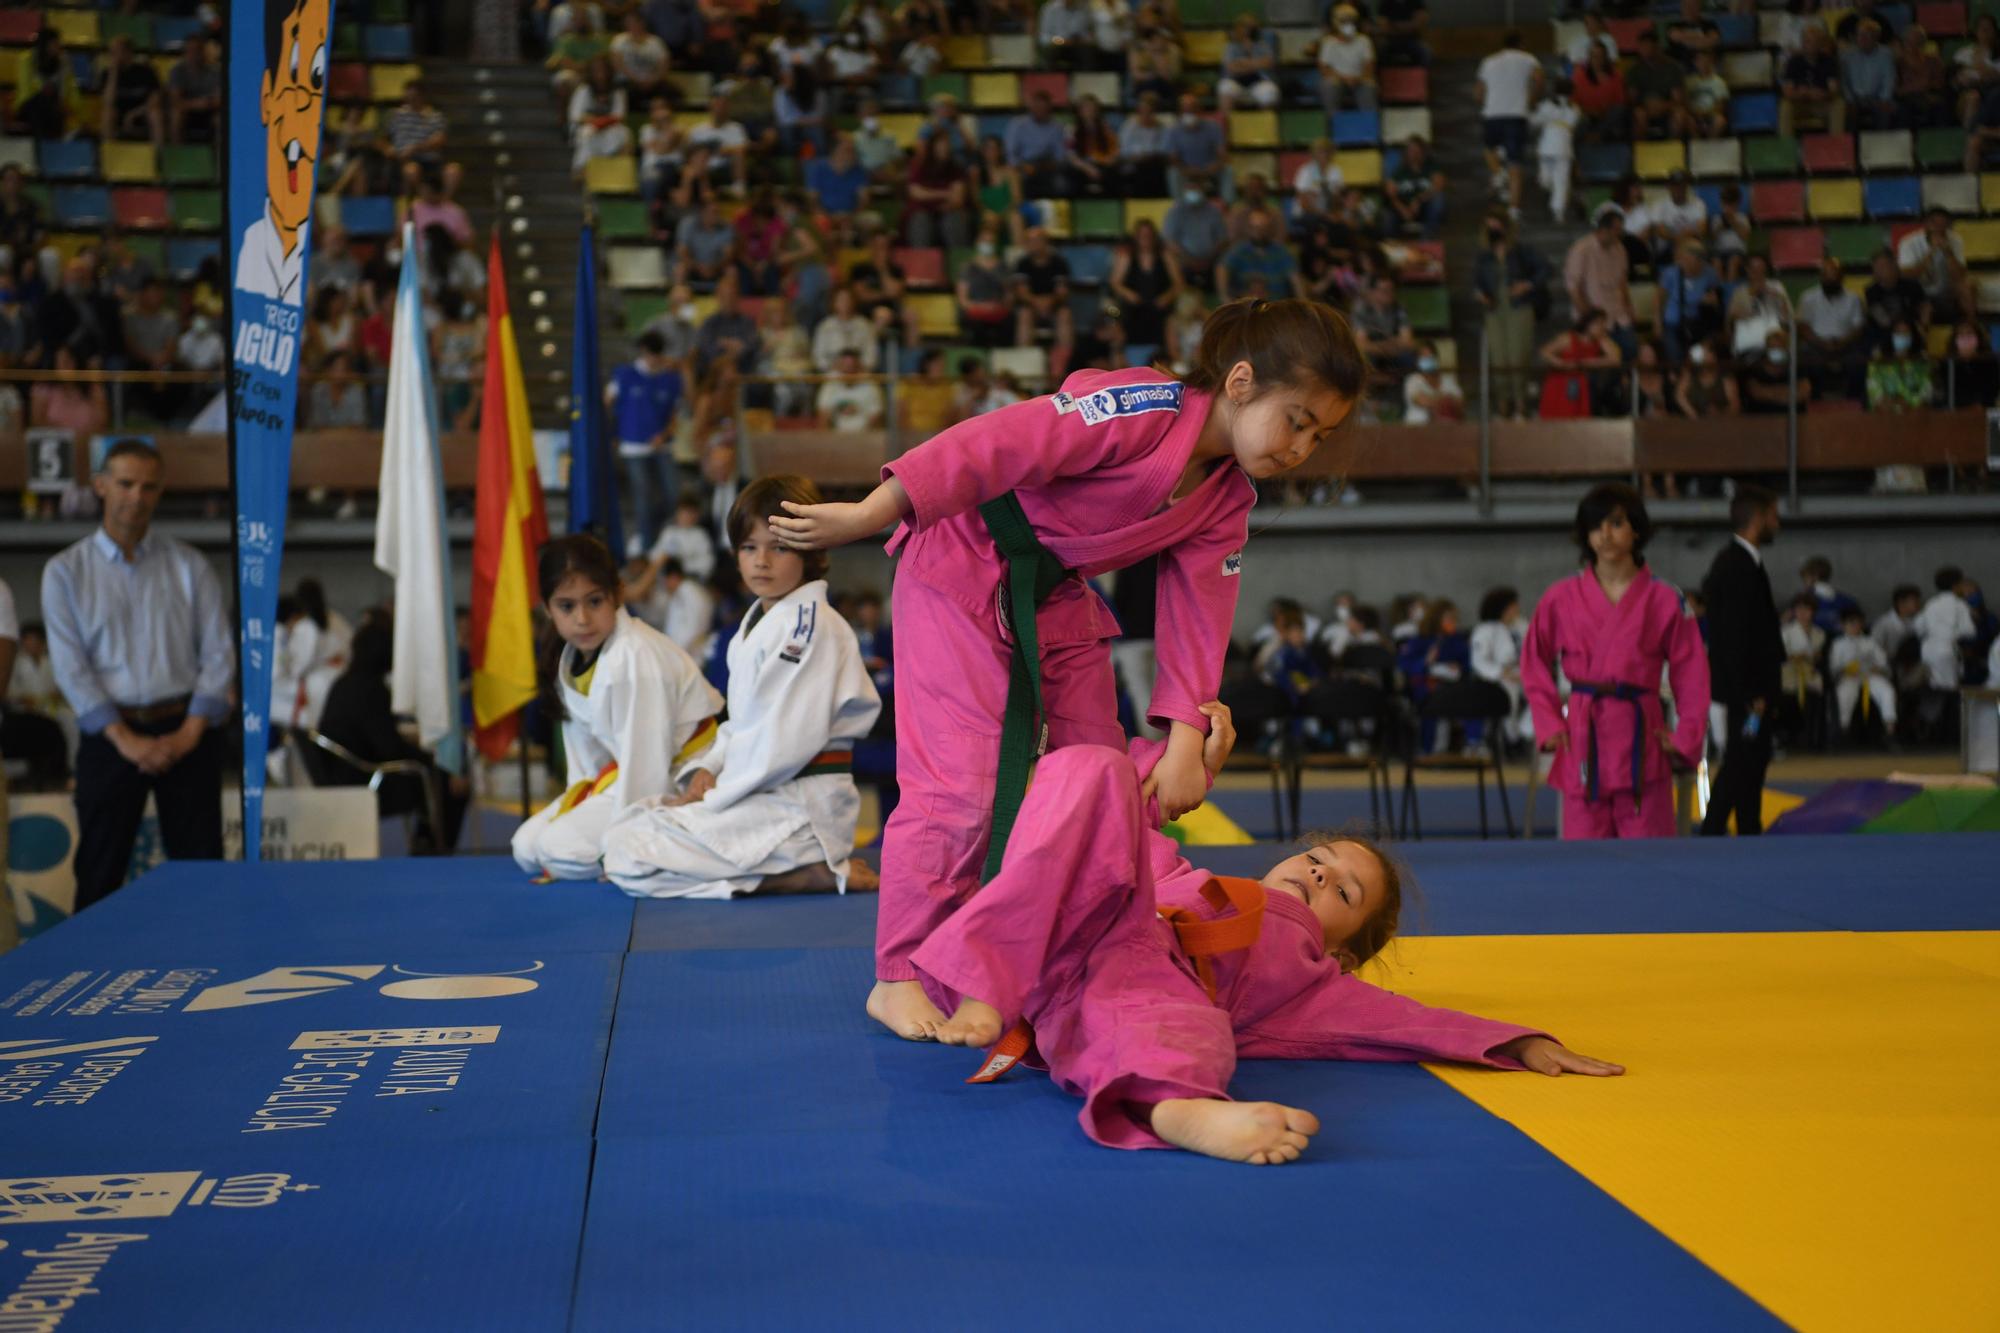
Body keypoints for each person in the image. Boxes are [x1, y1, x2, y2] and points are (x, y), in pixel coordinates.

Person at [768, 299, 1365, 1041]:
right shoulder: (1144, 405)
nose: (1302, 446)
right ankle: (898, 973)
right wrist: (873, 511)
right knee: (964, 787)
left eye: (1321, 435)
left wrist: (1186, 737)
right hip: (963, 563)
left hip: (1054, 599)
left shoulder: (1226, 501)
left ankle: (1044, 952)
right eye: (1298, 419)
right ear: (1241, 382)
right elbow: (1001, 441)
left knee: (1100, 778)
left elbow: (1197, 619)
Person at [915, 740, 1621, 1160]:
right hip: (1059, 934)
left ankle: (1178, 1108)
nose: (1321, 873)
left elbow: (1410, 1021)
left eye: (1344, 893)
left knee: (1180, 1019)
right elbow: (1119, 826)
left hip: (1127, 987)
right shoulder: (1185, 876)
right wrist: (1175, 758)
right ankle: (986, 970)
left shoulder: (1315, 980)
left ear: (1341, 954)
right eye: (1320, 859)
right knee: (1095, 766)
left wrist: (1520, 1041)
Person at [603, 476, 883, 898]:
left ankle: (801, 872)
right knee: (630, 826)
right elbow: (743, 725)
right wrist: (707, 771)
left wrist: (712, 798)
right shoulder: (755, 625)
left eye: (780, 547)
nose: (762, 561)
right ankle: (782, 872)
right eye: (749, 548)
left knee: (630, 854)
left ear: (811, 551)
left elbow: (783, 745)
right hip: (763, 795)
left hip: (798, 807)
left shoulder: (809, 628)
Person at [41, 441, 231, 911]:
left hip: (187, 733)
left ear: (161, 491)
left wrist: (187, 734)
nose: (136, 496)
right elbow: (70, 668)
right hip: (109, 739)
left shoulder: (189, 565)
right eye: (125, 483)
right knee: (98, 876)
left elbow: (219, 653)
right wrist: (126, 739)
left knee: (203, 874)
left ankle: (213, 967)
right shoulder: (65, 572)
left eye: (148, 486)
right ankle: (87, 979)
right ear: (101, 486)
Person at [512, 534, 723, 880]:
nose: (582, 618)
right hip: (622, 779)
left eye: (594, 602)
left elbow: (648, 766)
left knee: (555, 849)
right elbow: (587, 766)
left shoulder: (634, 653)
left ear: (618, 595)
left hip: (681, 780)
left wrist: (623, 844)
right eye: (567, 606)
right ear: (548, 609)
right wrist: (580, 814)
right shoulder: (571, 659)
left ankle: (653, 852)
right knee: (525, 847)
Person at [1523, 485, 1708, 840]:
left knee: (1651, 864)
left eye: (1616, 523)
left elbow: (1693, 673)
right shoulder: (1560, 597)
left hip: (1641, 738)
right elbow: (1533, 660)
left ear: (1636, 530)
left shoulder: (1666, 599)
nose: (1604, 535)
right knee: (1583, 868)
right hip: (1583, 738)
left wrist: (1687, 734)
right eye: (1595, 526)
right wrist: (1547, 722)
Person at [313, 617, 470, 853]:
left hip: (338, 773)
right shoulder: (372, 689)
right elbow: (389, 748)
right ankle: (435, 847)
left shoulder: (344, 683)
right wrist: (436, 761)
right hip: (366, 780)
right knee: (444, 778)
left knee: (434, 772)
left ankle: (427, 841)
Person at [1698, 484, 1785, 837]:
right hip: (1748, 693)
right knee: (1741, 758)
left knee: (1752, 757)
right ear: (1758, 518)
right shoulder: (1735, 566)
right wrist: (1752, 692)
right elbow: (1735, 637)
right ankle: (1714, 827)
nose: (1777, 522)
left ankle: (1748, 825)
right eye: (1774, 515)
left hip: (1751, 689)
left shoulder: (1744, 561)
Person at [607, 330, 685, 553]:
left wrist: (665, 434)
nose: (655, 360)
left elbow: (675, 414)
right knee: (643, 498)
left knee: (673, 494)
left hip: (661, 444)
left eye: (658, 355)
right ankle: (647, 545)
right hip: (633, 445)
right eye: (652, 355)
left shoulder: (670, 378)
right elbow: (608, 403)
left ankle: (665, 537)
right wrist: (613, 433)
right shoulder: (624, 375)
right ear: (643, 352)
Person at [1473, 215, 1546, 420]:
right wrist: (1480, 294)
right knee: (1499, 359)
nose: (1494, 230)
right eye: (1490, 227)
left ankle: (1520, 405)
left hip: (1518, 308)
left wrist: (1526, 285)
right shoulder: (1484, 256)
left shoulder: (1522, 251)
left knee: (1517, 356)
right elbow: (1476, 282)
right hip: (1495, 310)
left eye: (1497, 225)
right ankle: (1503, 405)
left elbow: (1545, 269)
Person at [1476, 31, 1542, 217]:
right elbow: (1538, 79)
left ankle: (1498, 174)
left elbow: (1479, 92)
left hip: (1492, 114)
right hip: (1516, 114)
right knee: (1515, 164)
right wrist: (1532, 100)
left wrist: (1487, 104)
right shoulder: (1528, 59)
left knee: (1489, 149)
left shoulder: (1488, 61)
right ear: (1521, 44)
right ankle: (1514, 209)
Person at [1565, 205, 1637, 358]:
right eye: (1617, 230)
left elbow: (1622, 282)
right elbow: (1574, 289)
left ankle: (1627, 382)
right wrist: (1589, 320)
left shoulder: (1620, 249)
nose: (1620, 233)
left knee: (1630, 350)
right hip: (1594, 317)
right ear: (1605, 230)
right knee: (1599, 360)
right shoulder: (1581, 250)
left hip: (1619, 314)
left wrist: (1629, 307)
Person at [1107, 220, 1182, 353]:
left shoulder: (1165, 256)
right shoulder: (1127, 256)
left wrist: (1166, 297)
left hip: (1160, 308)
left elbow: (1178, 283)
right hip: (1133, 309)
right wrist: (1129, 294)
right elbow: (1115, 282)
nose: (1145, 239)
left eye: (1148, 235)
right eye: (1142, 235)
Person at [1798, 256, 1867, 399]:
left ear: (1841, 277)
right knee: (1808, 361)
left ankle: (1852, 403)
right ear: (1821, 277)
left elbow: (1858, 328)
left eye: (1834, 274)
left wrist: (1841, 343)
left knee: (1859, 362)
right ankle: (1815, 402)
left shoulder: (1853, 298)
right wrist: (1823, 344)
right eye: (1826, 275)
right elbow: (1803, 328)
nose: (1830, 279)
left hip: (1846, 344)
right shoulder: (1808, 297)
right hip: (1816, 345)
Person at [1897, 207, 1976, 326]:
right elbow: (1908, 274)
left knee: (1968, 286)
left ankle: (1972, 326)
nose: (1939, 228)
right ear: (1926, 224)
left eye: (1943, 224)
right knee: (1924, 306)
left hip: (1946, 291)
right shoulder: (1908, 242)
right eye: (1935, 223)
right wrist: (1931, 252)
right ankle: (1922, 338)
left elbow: (1960, 276)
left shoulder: (1955, 240)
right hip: (1920, 292)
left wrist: (1949, 254)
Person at [1538, 309, 1621, 420]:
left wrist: (1588, 363)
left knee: (1578, 417)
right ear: (1587, 323)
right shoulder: (1568, 338)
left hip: (1581, 382)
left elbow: (1615, 359)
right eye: (1598, 323)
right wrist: (1561, 363)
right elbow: (1544, 352)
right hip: (1560, 381)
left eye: (1603, 323)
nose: (1601, 327)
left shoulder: (1601, 340)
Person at [1471, 587, 1529, 745]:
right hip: (1499, 678)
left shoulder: (1522, 626)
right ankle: (1509, 738)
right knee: (1508, 693)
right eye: (1513, 605)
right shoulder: (1485, 630)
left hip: (1523, 673)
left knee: (1545, 693)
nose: (1517, 608)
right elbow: (1479, 661)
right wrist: (1502, 673)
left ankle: (1524, 733)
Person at [1828, 607, 1896, 742]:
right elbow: (1833, 667)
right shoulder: (1838, 644)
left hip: (1870, 676)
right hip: (1849, 677)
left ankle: (1890, 730)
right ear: (1843, 625)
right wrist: (1844, 670)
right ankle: (1842, 730)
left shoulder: (1870, 642)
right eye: (1850, 623)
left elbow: (1883, 664)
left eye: (1857, 623)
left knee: (1886, 691)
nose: (1854, 626)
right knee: (1845, 694)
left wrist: (1878, 669)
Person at [1916, 565, 1977, 689]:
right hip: (1946, 650)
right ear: (1956, 585)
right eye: (1961, 584)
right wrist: (1952, 632)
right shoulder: (1960, 604)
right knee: (1950, 689)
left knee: (1934, 687)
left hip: (1927, 650)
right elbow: (1970, 631)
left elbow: (1918, 627)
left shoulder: (1931, 603)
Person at [1529, 81, 1580, 223]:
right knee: (1561, 181)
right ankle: (1558, 212)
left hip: (1547, 145)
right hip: (1564, 146)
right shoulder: (1574, 109)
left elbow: (1534, 121)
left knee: (1547, 180)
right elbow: (1574, 124)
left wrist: (1531, 110)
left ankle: (1553, 200)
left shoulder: (1547, 105)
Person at [1779, 593, 1826, 740]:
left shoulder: (1820, 633)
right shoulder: (1786, 632)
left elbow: (1819, 656)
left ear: (1813, 612)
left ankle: (1813, 736)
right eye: (1799, 610)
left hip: (1809, 673)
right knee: (1788, 696)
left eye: (1807, 610)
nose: (1803, 613)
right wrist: (1794, 656)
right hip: (1789, 673)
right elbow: (1780, 655)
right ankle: (1789, 734)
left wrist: (1815, 657)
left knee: (1817, 693)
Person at [1626, 30, 1687, 141]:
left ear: (1657, 47)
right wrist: (1646, 106)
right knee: (1639, 115)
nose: (1646, 50)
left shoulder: (1673, 67)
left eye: (1649, 46)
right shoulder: (1634, 70)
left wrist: (1663, 106)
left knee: (1680, 114)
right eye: (1643, 46)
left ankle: (1672, 149)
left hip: (1667, 107)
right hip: (1644, 108)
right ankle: (1640, 151)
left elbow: (1678, 99)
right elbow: (1632, 99)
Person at [1318, 5, 1377, 114]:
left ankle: (1369, 123)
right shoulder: (1328, 42)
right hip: (1337, 79)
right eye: (1344, 21)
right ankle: (1332, 122)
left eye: (1351, 21)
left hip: (1359, 79)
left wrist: (1359, 78)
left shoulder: (1364, 41)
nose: (1348, 24)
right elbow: (1324, 68)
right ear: (1336, 23)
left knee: (1369, 87)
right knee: (1328, 86)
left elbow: (1369, 65)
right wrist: (1344, 79)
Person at [1841, 19, 1900, 130]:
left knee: (1888, 111)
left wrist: (1884, 99)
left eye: (1867, 36)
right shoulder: (1847, 55)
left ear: (1876, 38)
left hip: (1877, 98)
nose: (1862, 39)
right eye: (1860, 35)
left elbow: (1889, 79)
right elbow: (1844, 82)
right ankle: (1852, 145)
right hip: (1855, 98)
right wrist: (1850, 100)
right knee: (1845, 113)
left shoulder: (1886, 54)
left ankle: (1882, 144)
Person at [1217, 16, 1280, 113]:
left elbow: (1268, 63)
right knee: (1225, 88)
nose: (1249, 30)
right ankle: (1226, 125)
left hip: (1258, 82)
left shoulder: (1262, 45)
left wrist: (1243, 63)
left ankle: (1266, 126)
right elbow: (1231, 68)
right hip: (1235, 82)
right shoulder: (1231, 46)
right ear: (1239, 28)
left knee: (1270, 92)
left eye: (1252, 27)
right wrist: (1256, 64)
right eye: (1246, 27)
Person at [1400, 340, 1462, 423]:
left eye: (1430, 356)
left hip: (1445, 429)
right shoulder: (1412, 380)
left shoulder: (1447, 379)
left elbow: (1460, 402)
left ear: (1436, 358)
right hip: (1416, 428)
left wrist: (1441, 401)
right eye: (1424, 357)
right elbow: (1421, 401)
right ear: (1417, 361)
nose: (1427, 359)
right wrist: (1445, 399)